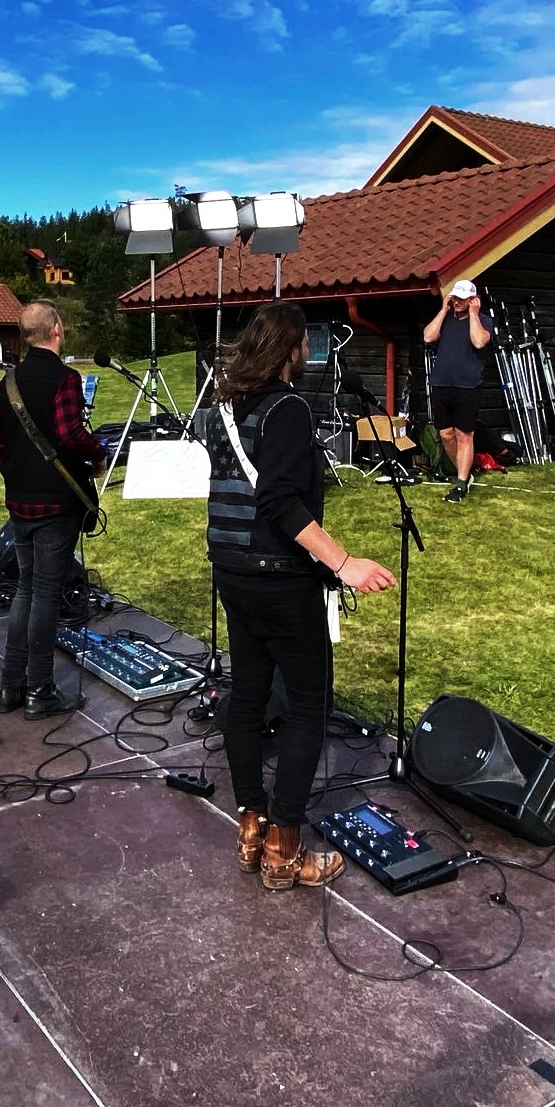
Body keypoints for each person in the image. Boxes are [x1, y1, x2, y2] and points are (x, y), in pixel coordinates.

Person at [203, 301, 396, 889]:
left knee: (249, 694)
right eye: (306, 342)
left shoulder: (225, 406)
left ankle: (250, 827)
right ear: (291, 348)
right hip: (280, 577)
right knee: (307, 707)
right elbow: (281, 503)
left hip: (232, 570)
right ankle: (285, 848)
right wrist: (344, 564)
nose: (309, 352)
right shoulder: (288, 407)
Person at [0, 300, 107, 719]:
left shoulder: (9, 382)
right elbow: (71, 434)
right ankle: (40, 692)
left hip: (19, 503)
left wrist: (17, 474)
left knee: (25, 590)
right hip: (56, 504)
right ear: (55, 328)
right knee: (46, 596)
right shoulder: (65, 378)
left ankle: (10, 688)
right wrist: (98, 451)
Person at [421, 278, 491, 501]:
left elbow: (479, 342)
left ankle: (460, 482)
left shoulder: (483, 321)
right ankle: (464, 472)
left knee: (464, 434)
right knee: (446, 434)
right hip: (442, 382)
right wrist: (443, 310)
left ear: (472, 300)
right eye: (455, 298)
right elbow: (428, 336)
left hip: (467, 385)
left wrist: (473, 314)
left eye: (462, 299)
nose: (457, 302)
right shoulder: (446, 319)